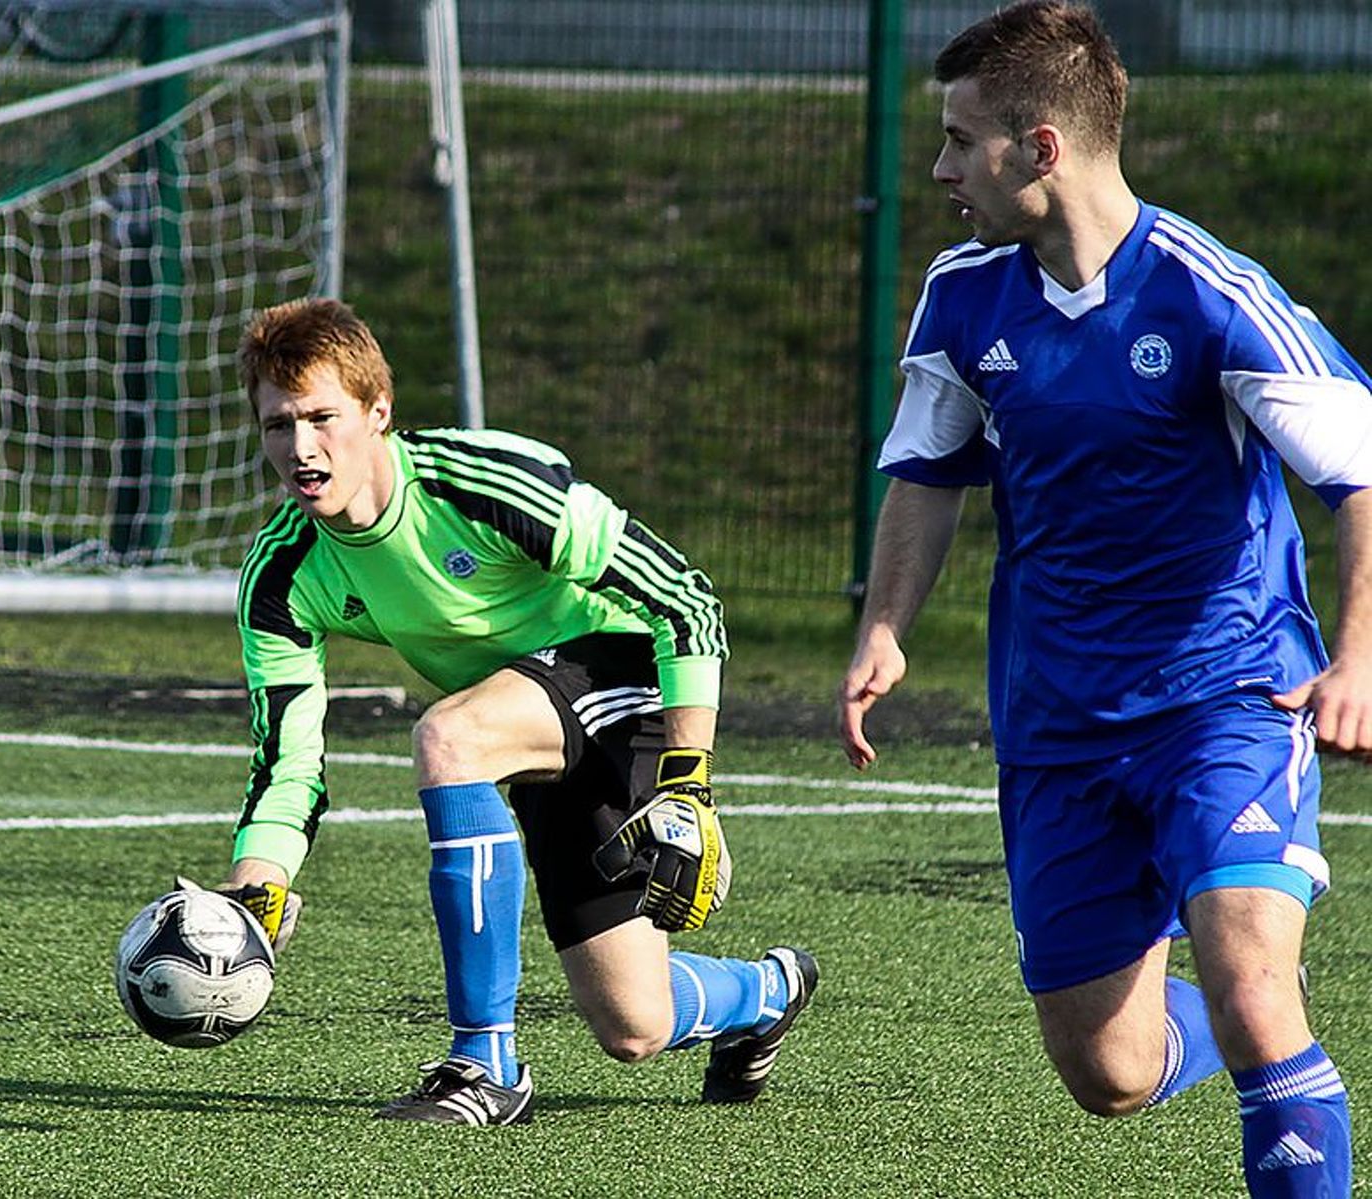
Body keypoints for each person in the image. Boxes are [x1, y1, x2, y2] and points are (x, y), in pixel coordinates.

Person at [838, 3, 1363, 1194]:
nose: (937, 168)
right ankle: (1229, 1034)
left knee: (1247, 981)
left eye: (960, 141)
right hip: (1057, 721)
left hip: (1226, 695)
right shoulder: (965, 294)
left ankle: (1259, 1039)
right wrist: (882, 626)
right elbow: (926, 470)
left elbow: (1360, 467)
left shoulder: (1203, 291)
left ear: (1041, 148)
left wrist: (1359, 656)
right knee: (1110, 1070)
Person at [211, 296, 817, 1126]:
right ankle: (768, 990)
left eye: (323, 417)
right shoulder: (281, 572)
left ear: (378, 411)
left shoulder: (481, 483)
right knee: (633, 1025)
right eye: (278, 425)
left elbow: (685, 599)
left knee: (448, 736)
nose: (302, 448)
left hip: (625, 672)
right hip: (527, 721)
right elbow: (286, 761)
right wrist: (258, 885)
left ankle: (484, 1065)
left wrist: (689, 781)